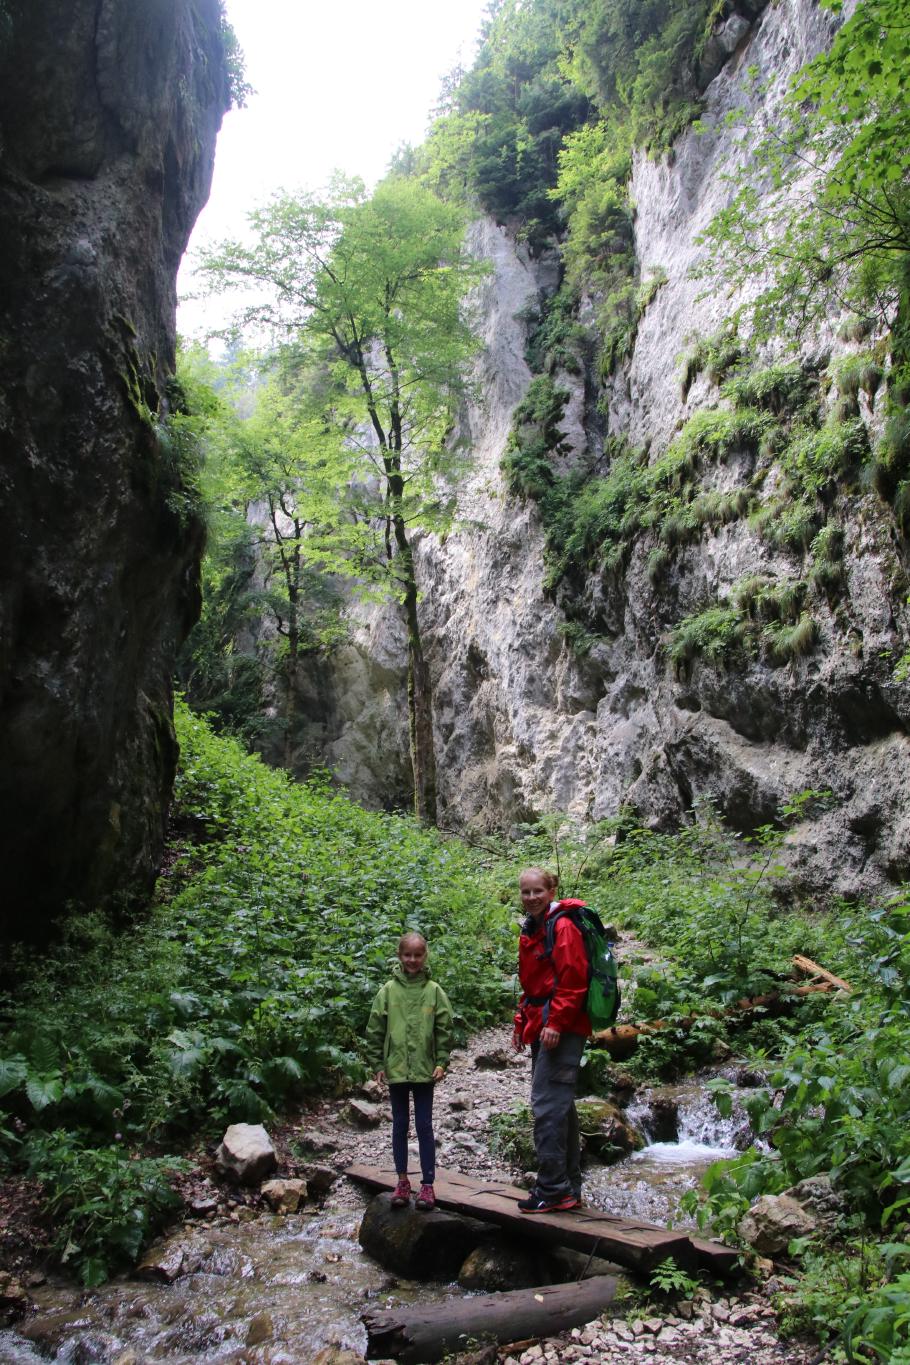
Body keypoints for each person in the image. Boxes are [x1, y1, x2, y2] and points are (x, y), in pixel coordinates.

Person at [512, 866, 591, 1213]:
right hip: (544, 1023)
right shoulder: (535, 928)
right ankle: (568, 1186)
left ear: (551, 889)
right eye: (526, 892)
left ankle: (552, 1189)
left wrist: (557, 1023)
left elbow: (574, 980)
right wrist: (521, 1022)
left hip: (562, 1027)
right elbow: (535, 984)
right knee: (561, 1107)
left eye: (537, 892)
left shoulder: (562, 927)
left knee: (546, 1107)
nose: (531, 898)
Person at [365, 931, 453, 1212]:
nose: (412, 960)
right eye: (407, 955)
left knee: (425, 1126)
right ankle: (402, 1180)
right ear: (399, 956)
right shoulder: (388, 991)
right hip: (397, 1069)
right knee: (400, 1124)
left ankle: (427, 1184)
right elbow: (376, 1028)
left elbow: (444, 1028)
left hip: (425, 1069)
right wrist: (377, 1063)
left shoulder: (434, 991)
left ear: (425, 955)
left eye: (417, 955)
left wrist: (441, 1061)